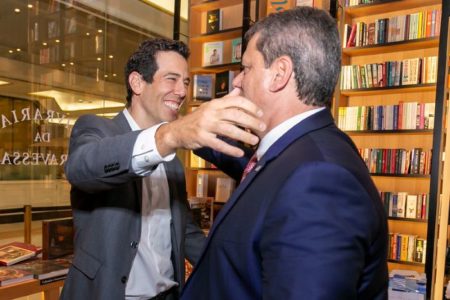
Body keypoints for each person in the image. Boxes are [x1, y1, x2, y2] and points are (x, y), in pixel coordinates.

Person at [181, 7, 388, 300]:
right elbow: (249, 168)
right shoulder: (302, 149)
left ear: (279, 73)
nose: (237, 81)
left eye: (247, 68)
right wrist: (176, 131)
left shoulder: (319, 178)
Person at [61, 38, 265, 300]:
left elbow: (185, 231)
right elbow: (82, 167)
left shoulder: (173, 162)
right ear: (137, 83)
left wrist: (235, 273)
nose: (181, 91)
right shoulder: (96, 130)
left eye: (187, 82)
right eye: (171, 79)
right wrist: (169, 137)